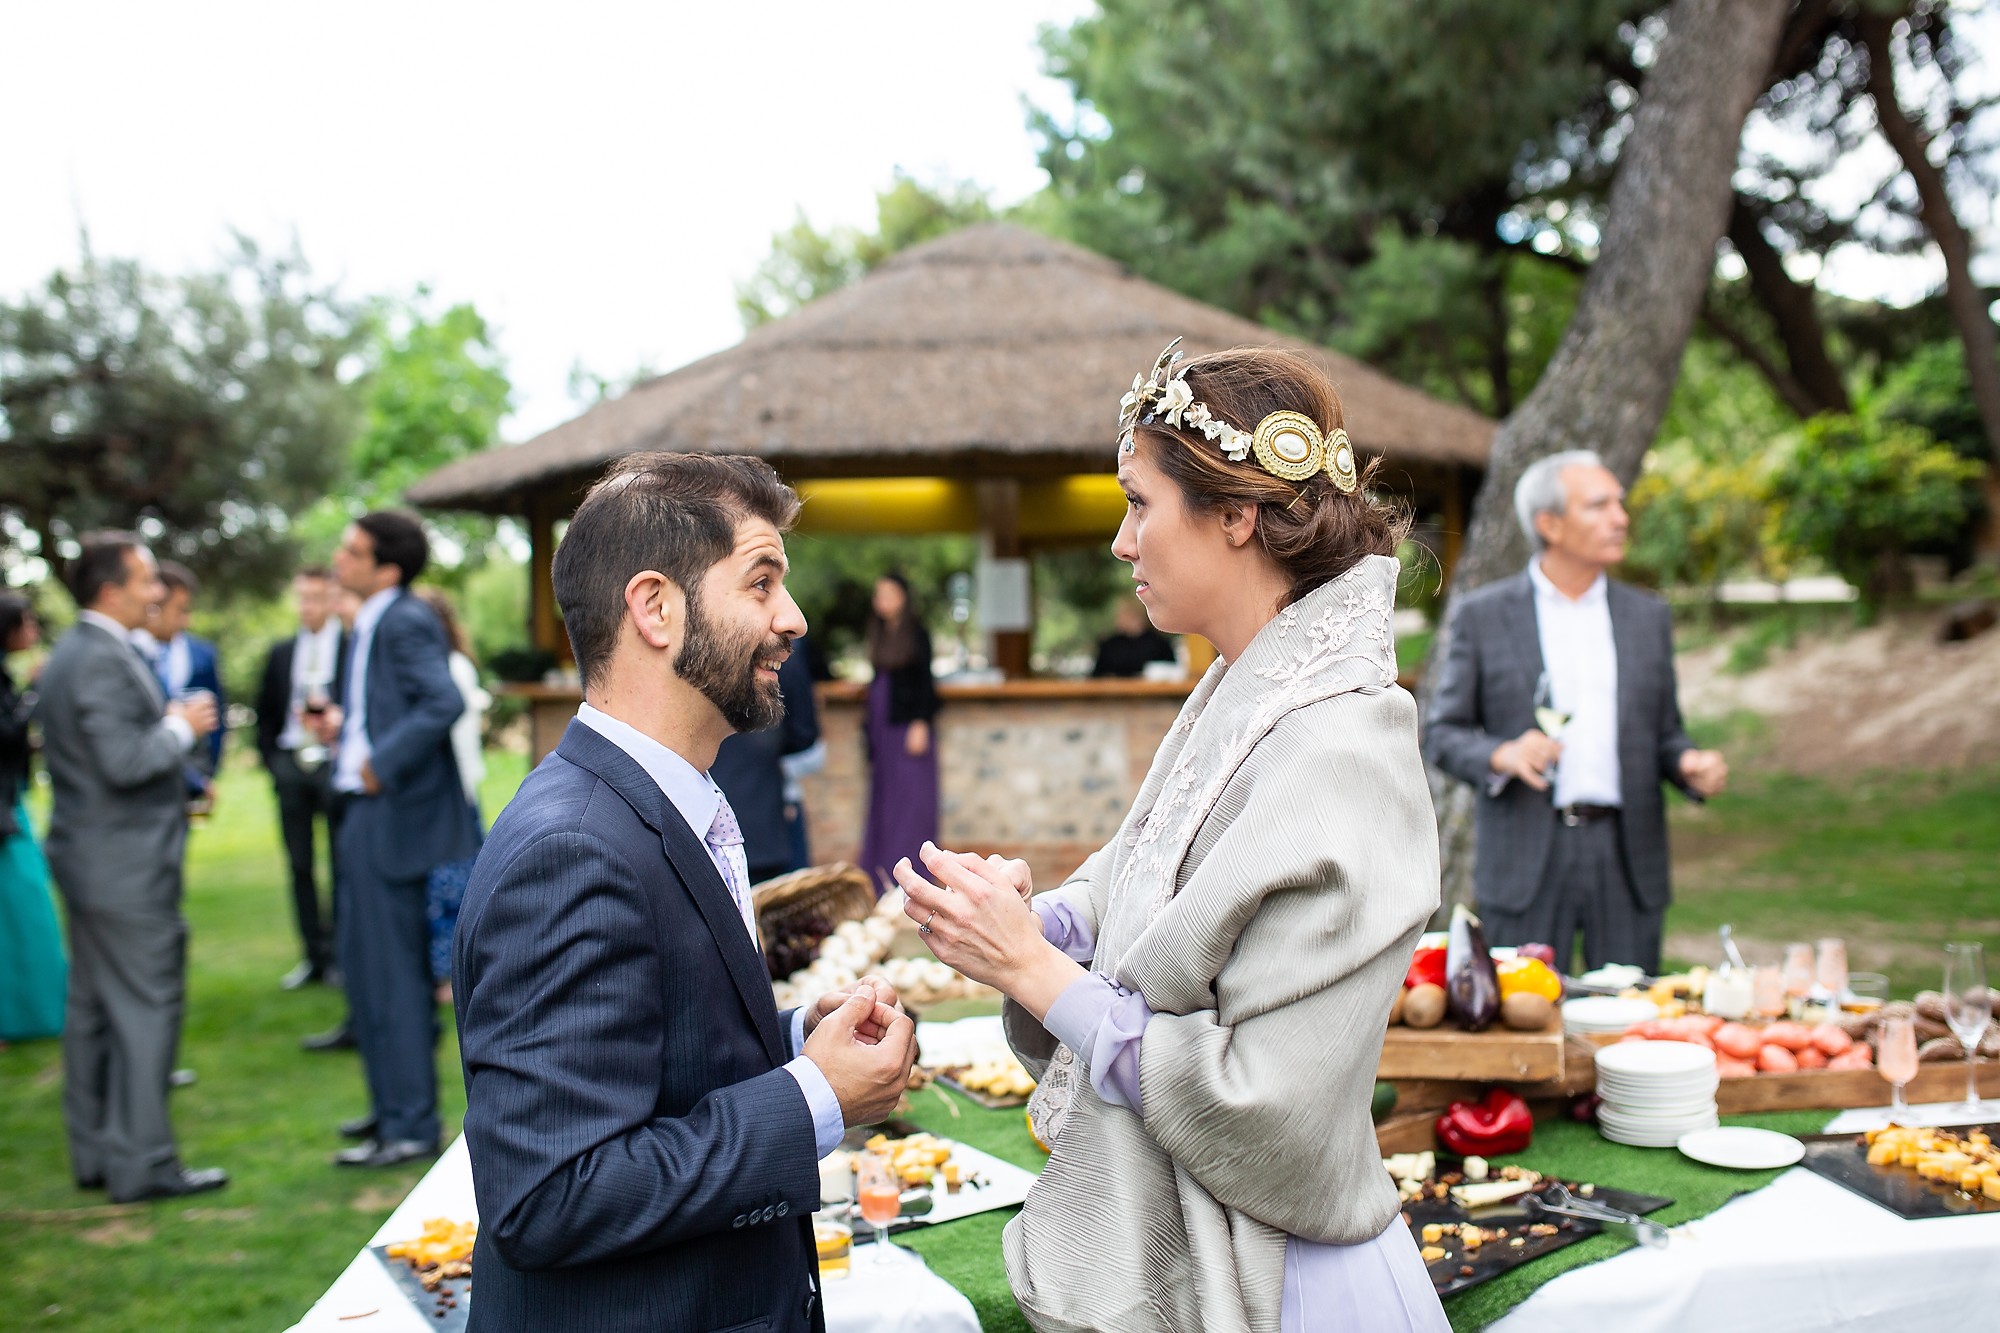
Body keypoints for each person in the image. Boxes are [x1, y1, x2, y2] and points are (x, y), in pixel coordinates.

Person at [894, 343, 1447, 1333]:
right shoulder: (1241, 686)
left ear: (1235, 515)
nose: (1119, 540)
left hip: (1286, 1285)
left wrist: (1033, 970)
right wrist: (1036, 919)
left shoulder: (1343, 743)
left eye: (1138, 503)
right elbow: (1138, 886)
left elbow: (1267, 1106)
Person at [455, 452, 917, 1333]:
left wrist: (793, 1040)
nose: (794, 618)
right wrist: (814, 1096)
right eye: (761, 581)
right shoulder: (571, 850)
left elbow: (653, 1060)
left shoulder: (676, 801)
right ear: (656, 608)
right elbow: (551, 1195)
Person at [1425, 450, 1728, 973]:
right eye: (1599, 505)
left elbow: (1664, 734)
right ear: (1551, 524)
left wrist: (1688, 764)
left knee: (1633, 1029)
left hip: (1628, 856)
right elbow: (1441, 734)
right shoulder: (1484, 616)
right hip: (1526, 860)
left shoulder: (1647, 617)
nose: (1621, 517)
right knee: (1524, 1029)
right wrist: (1502, 753)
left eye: (1620, 503)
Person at [37, 533, 225, 1202]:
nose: (159, 593)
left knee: (90, 1010)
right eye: (148, 580)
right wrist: (181, 726)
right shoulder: (96, 657)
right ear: (111, 589)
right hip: (121, 865)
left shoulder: (78, 651)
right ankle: (143, 1164)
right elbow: (123, 761)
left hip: (91, 858)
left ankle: (96, 1152)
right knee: (147, 1006)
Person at [309, 512, 477, 1169]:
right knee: (366, 971)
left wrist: (381, 759)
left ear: (386, 567)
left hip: (398, 820)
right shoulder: (371, 620)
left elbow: (442, 701)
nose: (338, 558)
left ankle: (410, 1125)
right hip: (366, 813)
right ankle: (388, 1111)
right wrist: (347, 734)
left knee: (396, 980)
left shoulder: (404, 617)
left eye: (352, 550)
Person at [256, 566, 348, 990]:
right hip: (292, 764)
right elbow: (265, 713)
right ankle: (312, 955)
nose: (307, 606)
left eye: (316, 597)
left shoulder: (350, 647)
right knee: (299, 865)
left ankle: (344, 957)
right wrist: (275, 763)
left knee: (342, 863)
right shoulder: (281, 652)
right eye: (302, 597)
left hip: (333, 764)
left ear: (332, 599)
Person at [412, 585, 488, 993]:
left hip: (456, 797)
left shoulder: (453, 667)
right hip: (440, 798)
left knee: (454, 891)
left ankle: (451, 978)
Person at [0, 593, 66, 1045]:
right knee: (21, 904)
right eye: (26, 623)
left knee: (25, 906)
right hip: (4, 810)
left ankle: (34, 1012)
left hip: (12, 800)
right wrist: (36, 694)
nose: (34, 631)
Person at [712, 630, 822, 884]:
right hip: (767, 819)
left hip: (713, 832)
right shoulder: (786, 660)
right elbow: (804, 736)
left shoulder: (696, 655)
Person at [857, 574, 938, 893]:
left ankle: (913, 877)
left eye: (889, 593)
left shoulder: (917, 634)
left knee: (911, 801)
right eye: (878, 594)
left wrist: (920, 722)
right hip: (881, 725)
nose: (882, 600)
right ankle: (880, 877)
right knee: (884, 800)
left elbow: (925, 684)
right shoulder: (880, 633)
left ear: (904, 596)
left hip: (907, 725)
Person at [133, 561, 226, 795]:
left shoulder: (201, 652)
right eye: (180, 610)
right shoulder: (129, 657)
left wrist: (203, 776)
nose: (186, 621)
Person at [1090, 596, 1179, 677]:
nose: (1118, 617)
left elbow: (1171, 671)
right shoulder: (1109, 645)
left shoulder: (1159, 643)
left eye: (1124, 613)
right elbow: (1096, 675)